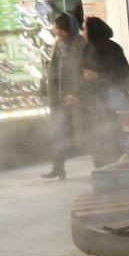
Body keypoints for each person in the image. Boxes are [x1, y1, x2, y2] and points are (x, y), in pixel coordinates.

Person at [81, 17, 129, 168]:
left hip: (100, 99)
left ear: (92, 30)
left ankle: (103, 168)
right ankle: (118, 164)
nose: (83, 32)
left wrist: (97, 76)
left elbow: (86, 76)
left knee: (101, 134)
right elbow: (124, 73)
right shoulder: (114, 47)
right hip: (116, 97)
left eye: (85, 29)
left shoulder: (90, 49)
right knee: (115, 133)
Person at [42, 13, 83, 180]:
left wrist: (79, 94)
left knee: (85, 132)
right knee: (59, 132)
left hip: (77, 97)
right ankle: (58, 167)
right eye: (56, 28)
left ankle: (103, 164)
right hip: (60, 96)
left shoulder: (81, 44)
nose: (57, 32)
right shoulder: (58, 44)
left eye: (60, 29)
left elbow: (84, 72)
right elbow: (53, 69)